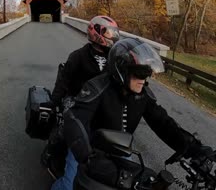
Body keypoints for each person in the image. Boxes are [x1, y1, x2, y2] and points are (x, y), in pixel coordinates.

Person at [51, 38, 213, 190]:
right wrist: (87, 156)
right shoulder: (97, 87)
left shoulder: (142, 95)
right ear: (122, 71)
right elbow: (75, 119)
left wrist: (195, 149)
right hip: (88, 149)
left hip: (119, 149)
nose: (144, 79)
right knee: (69, 185)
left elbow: (164, 124)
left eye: (147, 74)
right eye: (139, 74)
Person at [41, 15, 120, 178]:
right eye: (110, 32)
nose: (113, 36)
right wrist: (54, 101)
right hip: (77, 98)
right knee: (67, 126)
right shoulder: (78, 56)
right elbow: (63, 81)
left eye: (114, 33)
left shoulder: (114, 58)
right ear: (96, 32)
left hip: (101, 100)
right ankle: (51, 152)